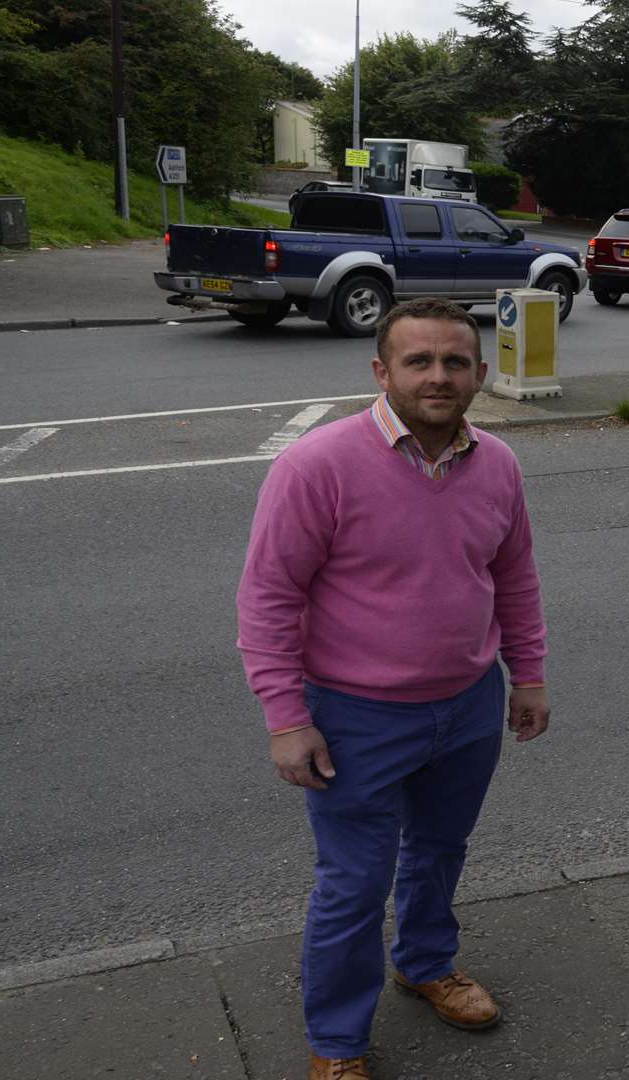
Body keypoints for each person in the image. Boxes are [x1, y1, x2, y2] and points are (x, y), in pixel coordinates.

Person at [236, 297, 551, 1079]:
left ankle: (425, 962)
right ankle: (337, 1044)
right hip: (355, 715)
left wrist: (529, 675)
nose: (438, 376)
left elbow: (512, 576)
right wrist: (286, 717)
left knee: (441, 850)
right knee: (353, 884)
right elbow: (268, 596)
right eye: (418, 361)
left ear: (480, 374)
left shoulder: (498, 463)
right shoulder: (317, 465)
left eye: (454, 362)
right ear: (382, 371)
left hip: (470, 704)